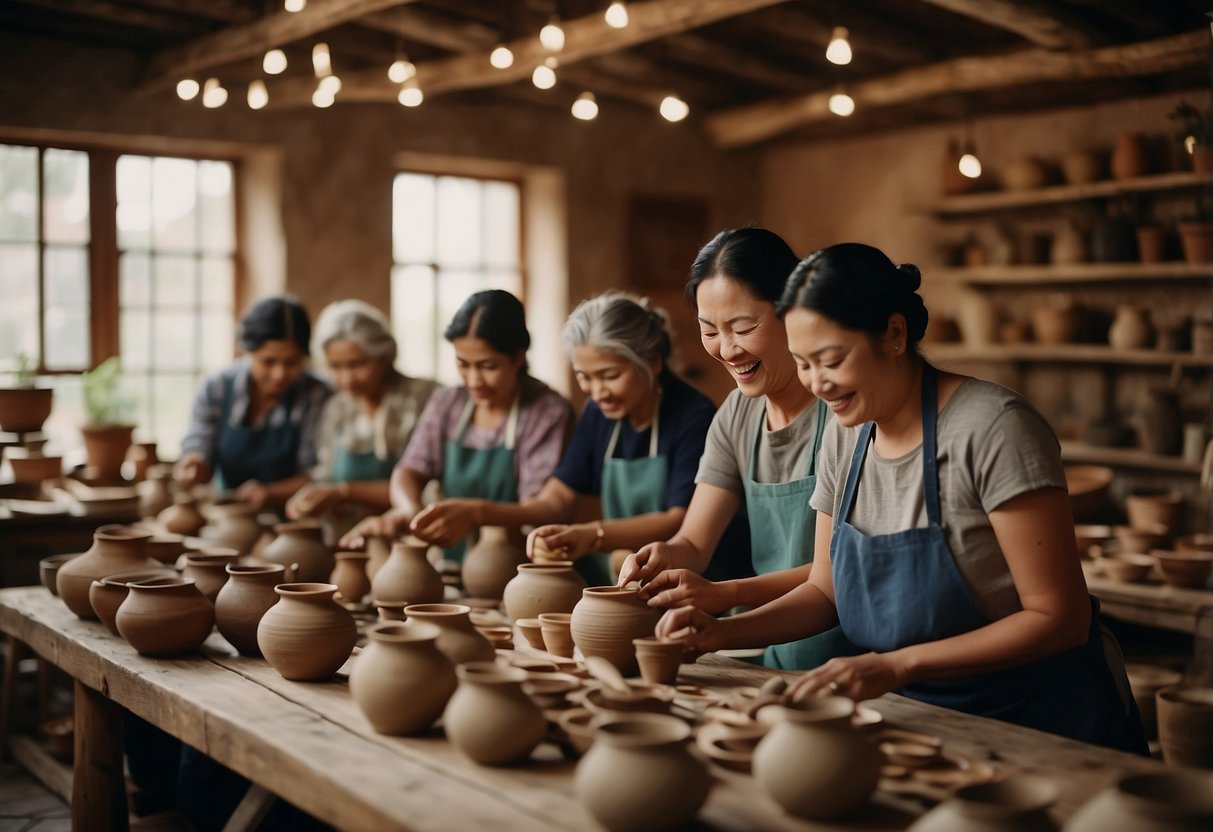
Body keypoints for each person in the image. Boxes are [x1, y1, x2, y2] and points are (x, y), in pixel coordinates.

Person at [654, 242, 1146, 753]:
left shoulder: (993, 427)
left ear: (893, 333)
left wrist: (897, 664)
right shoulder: (846, 434)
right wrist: (718, 633)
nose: (817, 385)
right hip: (920, 718)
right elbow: (825, 593)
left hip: (1042, 722)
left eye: (832, 360)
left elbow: (1059, 618)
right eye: (802, 364)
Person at [617, 228, 855, 670]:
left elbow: (834, 577)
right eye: (710, 331)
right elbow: (693, 541)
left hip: (853, 658)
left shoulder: (845, 412)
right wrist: (665, 556)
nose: (726, 350)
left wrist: (722, 596)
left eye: (743, 328)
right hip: (770, 653)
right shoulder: (736, 414)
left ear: (792, 311)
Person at [341, 289, 573, 558]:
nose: (474, 380)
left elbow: (545, 508)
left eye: (488, 366)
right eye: (463, 364)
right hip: (452, 562)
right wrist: (409, 511)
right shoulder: (449, 402)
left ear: (518, 357)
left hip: (522, 565)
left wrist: (476, 513)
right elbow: (408, 471)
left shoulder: (546, 412)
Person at [285, 300, 439, 539]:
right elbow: (326, 477)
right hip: (348, 540)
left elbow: (424, 488)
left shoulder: (423, 399)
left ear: (384, 355)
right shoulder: (337, 410)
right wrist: (314, 498)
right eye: (335, 366)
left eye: (357, 364)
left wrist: (343, 492)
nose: (347, 377)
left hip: (409, 539)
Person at [175, 295, 330, 510]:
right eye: (268, 361)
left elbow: (320, 473)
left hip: (297, 516)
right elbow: (199, 444)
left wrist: (271, 493)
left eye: (291, 362)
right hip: (230, 514)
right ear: (245, 350)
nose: (279, 374)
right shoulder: (216, 388)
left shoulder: (316, 395)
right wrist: (194, 464)